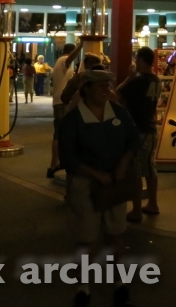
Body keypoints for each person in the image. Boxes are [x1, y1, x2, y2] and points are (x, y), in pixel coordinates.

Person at [58, 69, 141, 307]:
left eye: (108, 85)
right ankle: (83, 288)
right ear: (86, 89)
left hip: (114, 184)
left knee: (115, 235)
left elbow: (133, 139)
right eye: (101, 86)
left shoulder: (119, 112)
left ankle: (120, 285)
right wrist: (95, 174)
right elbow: (68, 157)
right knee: (85, 239)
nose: (107, 90)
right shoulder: (73, 120)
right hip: (84, 186)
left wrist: (124, 163)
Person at [117, 47, 161, 221]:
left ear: (141, 60)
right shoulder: (156, 79)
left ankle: (136, 210)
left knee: (135, 170)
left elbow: (116, 96)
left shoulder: (138, 81)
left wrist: (128, 77)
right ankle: (153, 203)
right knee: (150, 167)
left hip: (138, 129)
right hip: (150, 128)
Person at [47, 42, 81, 178]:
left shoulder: (58, 63)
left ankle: (55, 163)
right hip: (62, 102)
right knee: (60, 134)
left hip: (58, 101)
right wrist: (81, 45)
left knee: (59, 133)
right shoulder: (63, 61)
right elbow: (69, 59)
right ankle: (54, 163)